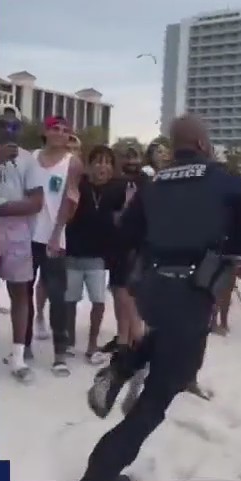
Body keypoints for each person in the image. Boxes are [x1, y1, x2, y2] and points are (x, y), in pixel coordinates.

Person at [79, 115, 241, 481]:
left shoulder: (154, 183)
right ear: (202, 144)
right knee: (163, 390)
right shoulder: (225, 181)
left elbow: (124, 235)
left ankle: (124, 365)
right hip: (194, 289)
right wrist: (232, 252)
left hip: (153, 287)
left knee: (169, 344)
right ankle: (99, 474)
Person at [25, 115, 82, 375]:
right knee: (22, 291)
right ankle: (23, 344)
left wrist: (56, 234)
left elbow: (70, 200)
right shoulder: (30, 158)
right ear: (45, 132)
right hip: (26, 235)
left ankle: (60, 353)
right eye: (55, 129)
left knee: (58, 294)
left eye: (65, 130)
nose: (60, 133)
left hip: (54, 238)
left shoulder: (73, 163)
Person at [0, 113, 46, 381]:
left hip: (17, 233)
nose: (9, 130)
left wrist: (0, 208)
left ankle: (18, 357)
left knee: (20, 292)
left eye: (14, 125)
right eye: (2, 124)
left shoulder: (28, 160)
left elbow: (36, 201)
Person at [64, 144, 119, 363]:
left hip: (97, 257)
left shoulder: (118, 189)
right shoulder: (79, 185)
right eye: (98, 161)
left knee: (98, 301)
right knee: (70, 301)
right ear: (89, 166)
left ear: (113, 168)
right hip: (73, 254)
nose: (102, 166)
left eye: (107, 162)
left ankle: (92, 344)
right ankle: (68, 341)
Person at [99, 145, 151, 357]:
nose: (131, 161)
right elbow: (111, 218)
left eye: (134, 156)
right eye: (126, 157)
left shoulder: (147, 185)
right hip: (116, 246)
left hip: (137, 247)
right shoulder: (113, 185)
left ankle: (132, 340)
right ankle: (124, 338)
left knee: (128, 295)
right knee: (119, 292)